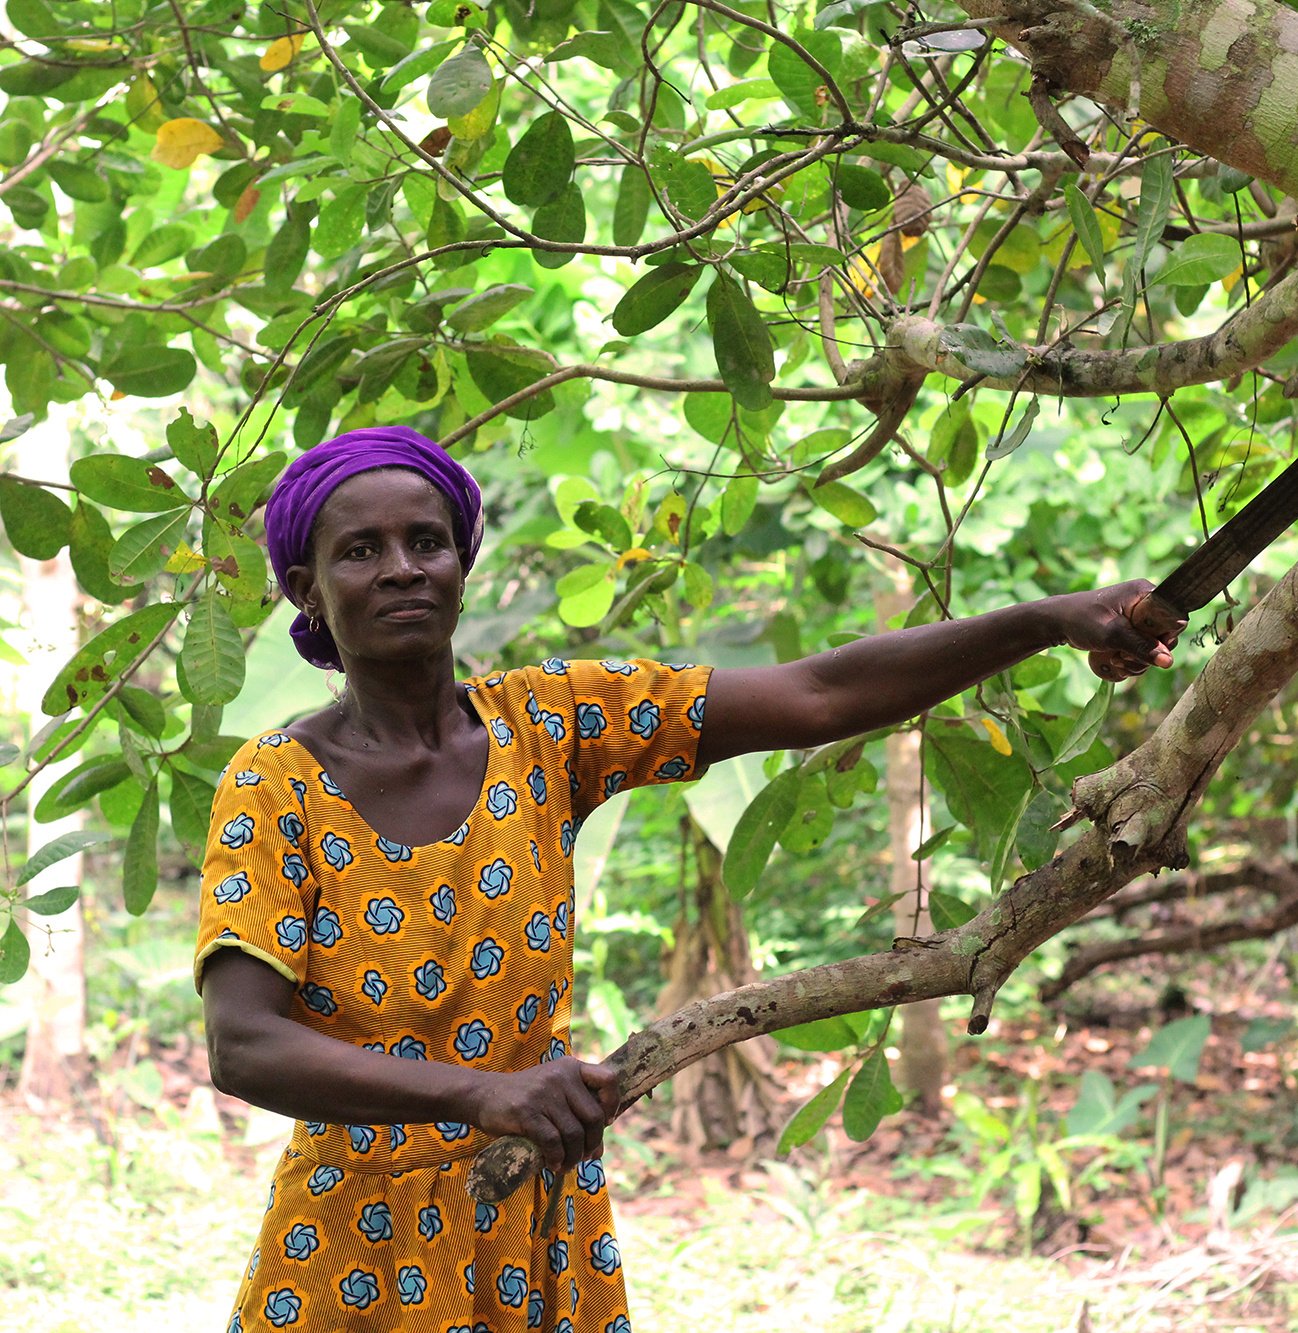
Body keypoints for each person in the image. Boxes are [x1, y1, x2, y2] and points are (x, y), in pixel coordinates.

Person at [195, 425, 1179, 1332]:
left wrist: (1051, 619)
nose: (402, 567)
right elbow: (244, 1045)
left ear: (461, 563)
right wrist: (480, 1092)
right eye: (360, 551)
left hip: (536, 1210)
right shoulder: (275, 785)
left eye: (427, 540)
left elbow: (814, 693)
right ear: (305, 588)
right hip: (355, 1238)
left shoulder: (546, 726)